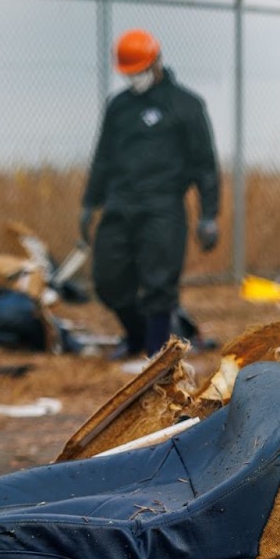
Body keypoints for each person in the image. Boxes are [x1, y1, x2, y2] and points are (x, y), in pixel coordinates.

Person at [80, 29, 220, 360]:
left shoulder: (186, 105)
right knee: (107, 279)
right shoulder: (119, 106)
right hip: (119, 204)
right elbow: (103, 157)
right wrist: (89, 202)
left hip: (163, 207)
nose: (135, 77)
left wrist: (209, 215)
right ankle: (136, 335)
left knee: (159, 285)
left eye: (139, 69)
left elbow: (205, 165)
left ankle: (155, 356)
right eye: (128, 72)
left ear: (156, 61)